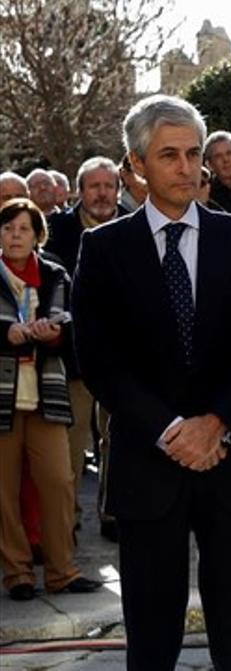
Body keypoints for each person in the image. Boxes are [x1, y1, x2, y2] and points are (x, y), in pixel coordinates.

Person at [72, 94, 231, 669]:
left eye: (194, 154)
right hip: (148, 464)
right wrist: (170, 430)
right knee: (151, 639)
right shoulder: (103, 248)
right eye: (169, 155)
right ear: (136, 165)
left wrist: (216, 424)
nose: (187, 167)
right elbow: (98, 358)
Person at [0, 198, 101, 601]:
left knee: (59, 482)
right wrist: (5, 333)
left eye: (23, 228)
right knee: (3, 491)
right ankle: (17, 573)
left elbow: (69, 326)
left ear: (37, 235)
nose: (15, 236)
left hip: (46, 393)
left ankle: (62, 570)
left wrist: (52, 334)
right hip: (4, 395)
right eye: (7, 229)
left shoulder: (55, 274)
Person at [44, 156, 125, 541]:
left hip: (124, 357)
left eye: (108, 186)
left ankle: (113, 512)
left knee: (118, 437)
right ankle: (67, 519)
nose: (102, 193)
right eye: (94, 186)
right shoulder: (57, 230)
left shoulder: (134, 226)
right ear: (79, 191)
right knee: (71, 441)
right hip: (73, 355)